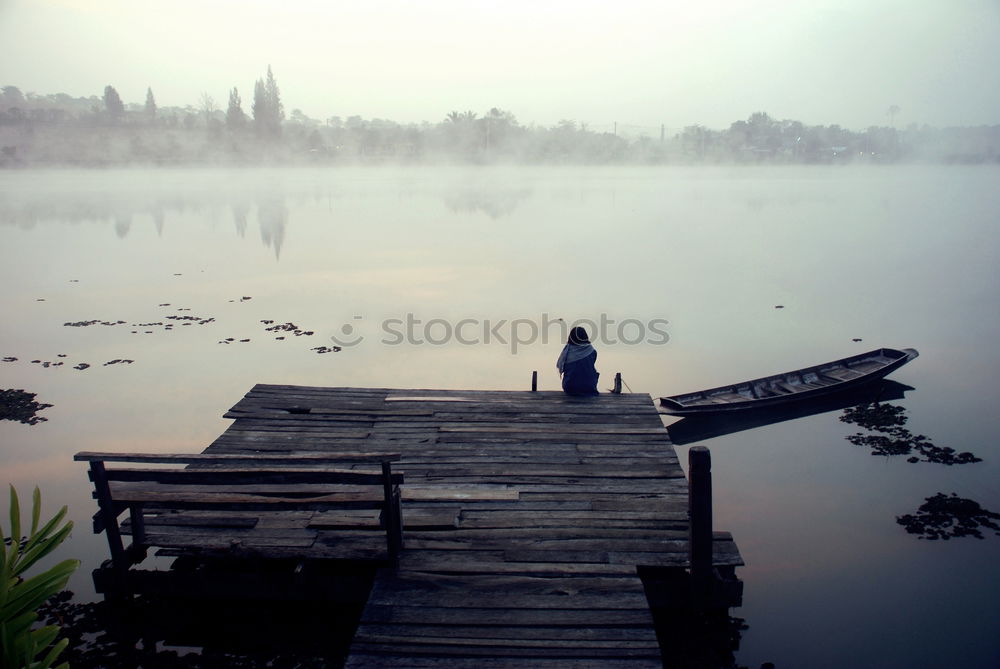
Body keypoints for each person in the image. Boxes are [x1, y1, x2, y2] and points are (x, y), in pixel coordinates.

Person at [556, 326, 599, 395]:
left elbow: (561, 366)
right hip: (589, 387)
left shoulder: (567, 351)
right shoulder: (592, 351)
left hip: (570, 387)